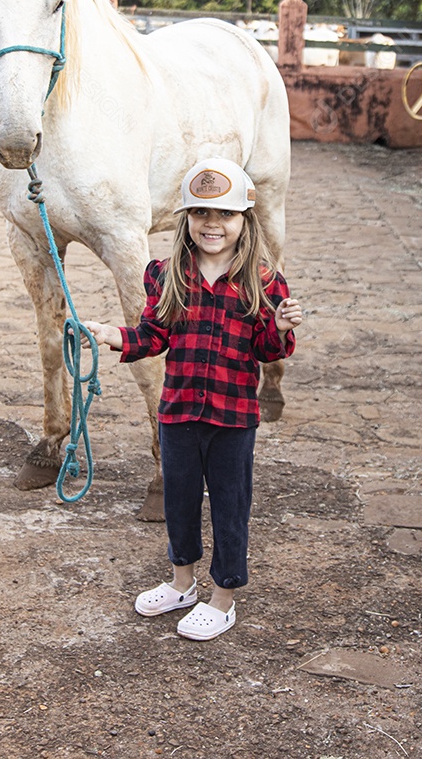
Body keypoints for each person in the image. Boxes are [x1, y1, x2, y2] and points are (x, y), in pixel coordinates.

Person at [81, 157, 302, 641]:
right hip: (178, 412)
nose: (213, 224)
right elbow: (152, 335)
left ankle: (223, 598)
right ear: (187, 219)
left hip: (232, 419)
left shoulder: (264, 284)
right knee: (179, 500)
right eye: (201, 213)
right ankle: (182, 584)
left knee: (229, 504)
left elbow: (266, 349)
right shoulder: (166, 275)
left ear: (245, 220)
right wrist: (109, 336)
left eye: (225, 214)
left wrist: (279, 328)